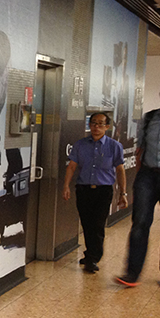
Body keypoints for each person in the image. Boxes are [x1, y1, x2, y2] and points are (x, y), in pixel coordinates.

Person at [117, 79, 160, 288]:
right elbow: (141, 148)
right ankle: (132, 273)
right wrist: (140, 175)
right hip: (148, 176)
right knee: (140, 223)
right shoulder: (150, 118)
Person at [62, 112, 127, 272]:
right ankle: (90, 253)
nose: (96, 127)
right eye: (93, 123)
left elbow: (120, 170)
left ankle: (93, 258)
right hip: (83, 190)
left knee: (97, 224)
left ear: (107, 126)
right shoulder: (80, 145)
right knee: (87, 224)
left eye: (100, 124)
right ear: (89, 125)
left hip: (103, 192)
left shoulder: (114, 146)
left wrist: (123, 193)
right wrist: (66, 186)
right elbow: (72, 166)